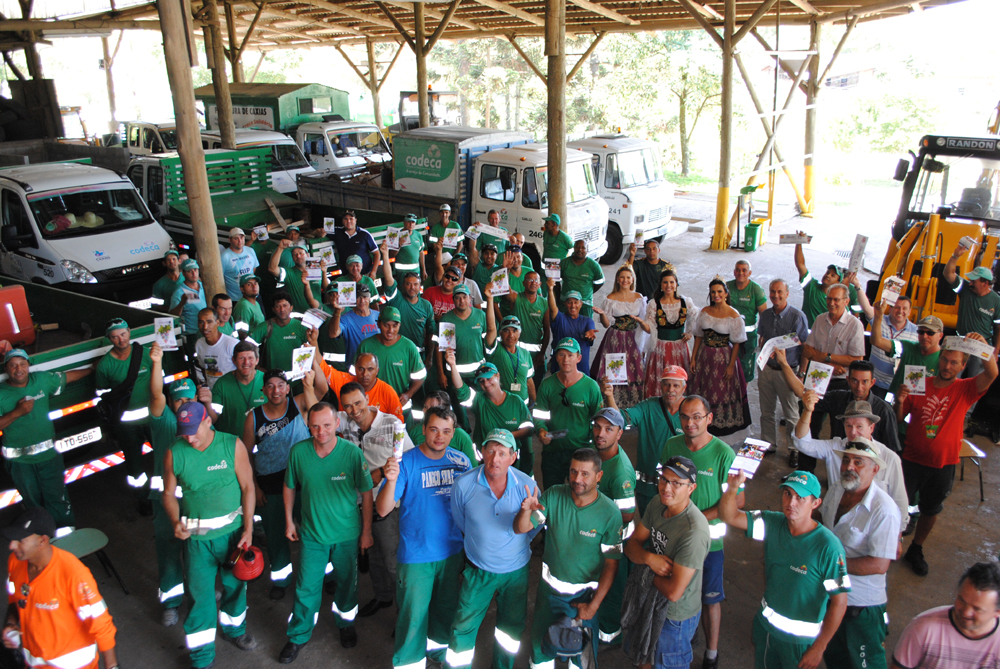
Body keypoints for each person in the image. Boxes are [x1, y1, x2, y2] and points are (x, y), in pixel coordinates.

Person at [719, 469, 850, 669]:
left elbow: (839, 603)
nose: (791, 503)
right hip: (766, 630)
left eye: (800, 497)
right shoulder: (773, 523)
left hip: (800, 643)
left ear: (815, 504)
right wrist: (733, 488)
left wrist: (819, 648)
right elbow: (730, 516)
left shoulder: (829, 548)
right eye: (787, 494)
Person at [161, 401, 258, 668]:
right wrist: (174, 521)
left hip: (233, 536)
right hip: (196, 540)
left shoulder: (231, 445)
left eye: (193, 430)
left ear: (207, 421)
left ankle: (235, 630)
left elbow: (248, 487)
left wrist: (248, 528)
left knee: (235, 586)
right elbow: (168, 495)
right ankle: (202, 656)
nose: (189, 437)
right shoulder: (175, 453)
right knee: (200, 597)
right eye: (184, 432)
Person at [376, 405, 473, 669]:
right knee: (412, 618)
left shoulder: (462, 462)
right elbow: (383, 509)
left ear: (453, 433)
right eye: (433, 430)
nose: (439, 436)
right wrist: (391, 479)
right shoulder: (405, 462)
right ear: (423, 430)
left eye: (445, 431)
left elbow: (474, 506)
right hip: (417, 556)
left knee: (444, 613)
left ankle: (438, 654)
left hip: (452, 554)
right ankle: (409, 663)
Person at [895, 334, 998, 576]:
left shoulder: (966, 389)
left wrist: (982, 346)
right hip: (911, 460)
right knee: (898, 506)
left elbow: (992, 373)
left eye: (954, 363)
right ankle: (892, 544)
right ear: (938, 359)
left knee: (931, 509)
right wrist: (899, 401)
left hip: (943, 464)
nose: (947, 366)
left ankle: (916, 548)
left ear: (963, 366)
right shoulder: (919, 383)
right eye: (944, 360)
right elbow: (899, 418)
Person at [279, 403, 374, 662]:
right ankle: (298, 635)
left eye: (327, 425)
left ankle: (345, 624)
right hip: (312, 535)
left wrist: (366, 532)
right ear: (308, 426)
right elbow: (289, 487)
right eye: (315, 426)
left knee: (347, 584)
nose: (321, 431)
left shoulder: (352, 454)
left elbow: (367, 493)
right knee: (306, 587)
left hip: (346, 534)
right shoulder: (298, 452)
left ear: (338, 425)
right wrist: (289, 521)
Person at [515, 448, 623, 669]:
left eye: (585, 474)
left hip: (584, 599)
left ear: (598, 476)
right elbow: (522, 528)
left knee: (581, 661)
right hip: (549, 596)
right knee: (541, 654)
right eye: (574, 472)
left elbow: (612, 565)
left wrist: (593, 606)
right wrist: (526, 511)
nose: (577, 479)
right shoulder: (554, 495)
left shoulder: (610, 513)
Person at [661, 395, 742, 669]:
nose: (690, 422)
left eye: (697, 417)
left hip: (710, 544)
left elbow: (737, 501)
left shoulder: (723, 454)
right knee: (678, 593)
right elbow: (665, 487)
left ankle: (711, 652)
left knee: (710, 598)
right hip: (674, 540)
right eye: (684, 416)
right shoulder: (672, 445)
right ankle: (686, 637)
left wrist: (693, 519)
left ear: (709, 418)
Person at [446, 429, 537, 669]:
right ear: (482, 452)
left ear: (513, 457)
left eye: (502, 453)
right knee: (463, 628)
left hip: (515, 573)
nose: (495, 459)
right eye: (490, 451)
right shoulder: (463, 485)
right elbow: (461, 522)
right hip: (478, 571)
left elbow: (533, 528)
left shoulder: (528, 486)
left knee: (510, 631)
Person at [621, 456, 711, 669]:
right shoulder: (657, 503)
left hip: (675, 617)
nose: (666, 487)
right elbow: (632, 545)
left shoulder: (693, 532)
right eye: (664, 479)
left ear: (691, 488)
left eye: (677, 483)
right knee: (643, 656)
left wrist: (646, 571)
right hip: (650, 600)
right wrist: (649, 558)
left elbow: (673, 592)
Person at [818, 439, 901, 669]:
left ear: (875, 469)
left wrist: (830, 565)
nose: (849, 467)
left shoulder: (884, 510)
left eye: (858, 462)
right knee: (835, 657)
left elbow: (878, 565)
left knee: (866, 664)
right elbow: (824, 525)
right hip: (831, 596)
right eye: (846, 460)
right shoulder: (837, 490)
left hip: (861, 607)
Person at [335, 382, 414, 619]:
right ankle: (383, 596)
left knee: (392, 561)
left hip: (388, 506)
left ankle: (405, 612)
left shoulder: (392, 425)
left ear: (367, 399)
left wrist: (379, 474)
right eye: (347, 406)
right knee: (374, 557)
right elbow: (314, 410)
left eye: (358, 403)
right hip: (358, 504)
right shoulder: (343, 423)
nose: (354, 410)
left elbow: (407, 461)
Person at [2, 508, 118, 669]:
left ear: (42, 541)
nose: (12, 545)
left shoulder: (73, 575)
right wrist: (11, 622)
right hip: (35, 662)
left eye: (20, 540)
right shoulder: (15, 563)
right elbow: (16, 600)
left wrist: (112, 666)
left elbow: (101, 624)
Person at [242, 368, 321, 599]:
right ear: (263, 390)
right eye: (270, 386)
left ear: (288, 388)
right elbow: (246, 453)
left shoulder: (299, 404)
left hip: (302, 479)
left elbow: (321, 392)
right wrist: (255, 486)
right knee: (275, 535)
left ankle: (325, 575)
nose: (276, 390)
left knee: (313, 531)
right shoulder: (254, 416)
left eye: (280, 385)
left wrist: (309, 381)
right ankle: (281, 578)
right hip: (270, 483)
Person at [0, 349, 88, 536]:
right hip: (20, 463)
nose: (19, 369)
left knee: (57, 497)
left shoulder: (41, 380)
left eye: (22, 364)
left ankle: (67, 538)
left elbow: (68, 377)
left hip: (48, 457)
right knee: (33, 502)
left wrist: (93, 368)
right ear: (6, 368)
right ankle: (44, 538)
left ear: (28, 365)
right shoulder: (1, 393)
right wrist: (17, 413)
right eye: (13, 365)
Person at [792, 396, 910, 532]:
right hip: (835, 522)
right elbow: (801, 443)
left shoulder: (889, 458)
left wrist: (898, 535)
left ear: (871, 427)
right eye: (849, 426)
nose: (853, 432)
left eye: (859, 426)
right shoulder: (835, 448)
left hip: (870, 529)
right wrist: (807, 411)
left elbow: (900, 501)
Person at [148, 343, 198, 626]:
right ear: (171, 403)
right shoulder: (163, 422)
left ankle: (198, 592)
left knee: (195, 552)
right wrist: (157, 362)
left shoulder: (203, 424)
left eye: (188, 400)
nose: (183, 405)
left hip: (194, 502)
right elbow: (156, 393)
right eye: (178, 401)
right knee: (168, 552)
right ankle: (171, 602)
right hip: (165, 502)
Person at [603, 365, 687, 515]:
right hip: (647, 487)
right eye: (666, 384)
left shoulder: (691, 410)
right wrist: (609, 396)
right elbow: (621, 419)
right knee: (647, 529)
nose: (670, 389)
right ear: (661, 385)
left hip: (678, 487)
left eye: (676, 385)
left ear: (684, 388)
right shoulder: (649, 406)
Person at [777, 358, 902, 455]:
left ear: (872, 382)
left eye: (864, 382)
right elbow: (804, 394)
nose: (859, 387)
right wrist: (783, 363)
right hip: (838, 460)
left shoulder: (884, 411)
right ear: (847, 380)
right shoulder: (838, 398)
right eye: (854, 381)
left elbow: (891, 452)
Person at [800, 282, 865, 467]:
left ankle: (837, 474)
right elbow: (807, 350)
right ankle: (805, 470)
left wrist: (825, 357)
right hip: (816, 381)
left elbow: (856, 359)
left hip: (840, 384)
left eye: (836, 299)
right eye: (829, 298)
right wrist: (831, 362)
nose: (832, 303)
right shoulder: (820, 319)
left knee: (839, 432)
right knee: (809, 426)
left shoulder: (854, 325)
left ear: (846, 301)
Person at [891, 561, 1000, 668]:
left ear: (997, 612)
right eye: (961, 600)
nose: (966, 612)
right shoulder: (924, 627)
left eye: (977, 609)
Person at [590, 407, 637, 646]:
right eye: (598, 427)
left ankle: (610, 635)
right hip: (599, 536)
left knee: (611, 587)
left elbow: (627, 515)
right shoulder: (598, 453)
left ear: (619, 433)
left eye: (609, 429)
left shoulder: (621, 473)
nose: (601, 433)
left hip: (614, 541)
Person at [96, 318, 154, 504]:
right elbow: (103, 397)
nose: (121, 340)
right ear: (108, 339)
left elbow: (160, 385)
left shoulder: (145, 355)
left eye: (123, 334)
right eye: (115, 337)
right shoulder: (105, 366)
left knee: (166, 456)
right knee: (135, 466)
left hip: (153, 418)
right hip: (126, 426)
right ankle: (143, 500)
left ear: (129, 331)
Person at [533, 338, 604, 488]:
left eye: (570, 355)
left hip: (582, 451)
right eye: (561, 355)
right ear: (556, 357)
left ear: (579, 357)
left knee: (581, 494)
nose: (566, 359)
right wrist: (541, 430)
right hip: (553, 451)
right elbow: (539, 415)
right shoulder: (547, 385)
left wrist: (594, 449)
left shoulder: (591, 387)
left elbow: (599, 420)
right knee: (552, 493)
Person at [688, 277, 750, 437]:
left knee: (721, 389)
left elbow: (736, 343)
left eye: (720, 292)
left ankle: (719, 426)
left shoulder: (733, 315)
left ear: (726, 293)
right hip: (704, 356)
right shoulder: (705, 312)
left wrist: (731, 366)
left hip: (723, 357)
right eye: (713, 292)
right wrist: (693, 357)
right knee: (704, 388)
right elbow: (699, 336)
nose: (716, 295)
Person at [756, 278, 810, 453]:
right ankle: (768, 444)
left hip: (788, 373)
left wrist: (801, 373)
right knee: (766, 411)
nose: (776, 295)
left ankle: (795, 449)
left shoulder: (797, 317)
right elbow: (762, 337)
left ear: (787, 294)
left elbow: (805, 348)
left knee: (791, 414)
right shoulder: (765, 315)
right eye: (773, 292)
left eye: (780, 292)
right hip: (767, 370)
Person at [452, 362, 533, 475]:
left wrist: (505, 436)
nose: (486, 383)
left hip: (511, 460)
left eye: (489, 378)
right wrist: (452, 365)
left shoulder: (516, 401)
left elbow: (529, 429)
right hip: (486, 460)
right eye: (482, 381)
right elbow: (461, 390)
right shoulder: (479, 400)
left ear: (498, 376)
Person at [437, 282, 497, 427]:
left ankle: (484, 429)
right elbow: (443, 349)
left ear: (470, 298)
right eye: (457, 298)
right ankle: (465, 433)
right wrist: (442, 373)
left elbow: (490, 334)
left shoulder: (480, 315)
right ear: (453, 300)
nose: (461, 300)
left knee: (482, 405)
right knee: (459, 408)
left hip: (478, 373)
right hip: (456, 373)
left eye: (464, 297)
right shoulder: (447, 319)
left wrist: (490, 299)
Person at [591, 264, 650, 408]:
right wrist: (603, 314)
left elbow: (644, 321)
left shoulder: (639, 298)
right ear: (617, 279)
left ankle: (631, 406)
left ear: (632, 279)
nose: (625, 280)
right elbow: (606, 325)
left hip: (633, 339)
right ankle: (612, 403)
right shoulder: (610, 298)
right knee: (614, 371)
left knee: (633, 370)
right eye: (622, 277)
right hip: (615, 339)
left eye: (628, 277)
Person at [944, 244, 1000, 377]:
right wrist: (955, 256)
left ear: (985, 283)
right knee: (951, 377)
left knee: (975, 384)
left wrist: (995, 352)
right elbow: (948, 273)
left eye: (974, 281)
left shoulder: (997, 301)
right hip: (961, 342)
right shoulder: (965, 289)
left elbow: (999, 328)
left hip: (982, 347)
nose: (970, 283)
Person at [643, 266, 699, 399]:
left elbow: (696, 317)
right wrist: (642, 323)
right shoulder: (654, 304)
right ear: (661, 285)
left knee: (678, 381)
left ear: (676, 284)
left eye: (671, 282)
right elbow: (650, 326)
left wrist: (689, 332)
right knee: (660, 380)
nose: (669, 285)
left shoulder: (685, 302)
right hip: (660, 349)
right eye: (665, 282)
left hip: (680, 348)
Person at [357, 306, 426, 411]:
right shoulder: (365, 346)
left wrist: (408, 395)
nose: (390, 330)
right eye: (386, 325)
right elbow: (355, 376)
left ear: (400, 325)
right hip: (372, 406)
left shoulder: (409, 347)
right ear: (378, 324)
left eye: (395, 326)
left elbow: (421, 375)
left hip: (400, 406)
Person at [317, 344, 405, 422]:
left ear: (377, 371)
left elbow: (398, 423)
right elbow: (324, 368)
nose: (365, 374)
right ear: (355, 369)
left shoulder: (388, 392)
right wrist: (314, 343)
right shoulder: (345, 381)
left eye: (370, 369)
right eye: (361, 369)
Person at [870, 304, 943, 397]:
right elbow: (876, 341)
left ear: (940, 335)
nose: (924, 336)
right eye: (921, 332)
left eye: (930, 333)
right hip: (894, 403)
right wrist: (879, 315)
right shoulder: (907, 347)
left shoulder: (944, 359)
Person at [380, 244, 436, 358]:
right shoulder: (397, 299)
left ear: (420, 285)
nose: (412, 287)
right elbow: (389, 278)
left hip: (419, 355)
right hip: (396, 352)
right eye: (408, 284)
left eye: (415, 284)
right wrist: (385, 255)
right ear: (402, 285)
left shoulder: (426, 306)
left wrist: (429, 357)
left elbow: (431, 333)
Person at [793, 235, 861, 326]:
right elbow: (800, 264)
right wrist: (799, 243)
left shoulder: (839, 302)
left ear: (838, 283)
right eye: (828, 272)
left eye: (833, 275)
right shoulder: (811, 286)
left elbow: (850, 323)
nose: (828, 275)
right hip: (806, 335)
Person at [210, 341, 268, 437]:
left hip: (261, 442)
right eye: (241, 358)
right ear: (234, 360)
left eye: (250, 358)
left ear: (257, 360)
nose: (246, 363)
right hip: (231, 443)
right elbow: (213, 418)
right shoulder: (221, 385)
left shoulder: (267, 381)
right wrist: (207, 402)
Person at [503, 271, 550, 386]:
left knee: (536, 382)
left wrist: (542, 353)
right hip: (516, 352)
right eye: (529, 280)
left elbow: (547, 330)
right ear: (523, 283)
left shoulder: (544, 303)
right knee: (516, 382)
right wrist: (505, 269)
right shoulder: (516, 298)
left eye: (536, 280)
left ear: (540, 284)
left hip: (536, 354)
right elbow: (504, 288)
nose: (533, 282)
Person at [865, 295, 918, 397]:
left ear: (910, 311)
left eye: (904, 308)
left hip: (898, 388)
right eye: (897, 307)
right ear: (890, 308)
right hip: (874, 383)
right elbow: (866, 308)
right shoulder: (880, 320)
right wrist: (858, 286)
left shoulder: (917, 332)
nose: (900, 311)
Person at [410, 387, 478, 464]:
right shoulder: (414, 431)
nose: (426, 411)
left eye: (433, 408)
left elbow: (473, 467)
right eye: (425, 407)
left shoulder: (461, 436)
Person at [250, 291, 310, 375]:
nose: (282, 309)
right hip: (273, 379)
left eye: (285, 305)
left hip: (297, 379)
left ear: (291, 307)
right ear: (273, 309)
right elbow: (247, 348)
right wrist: (259, 368)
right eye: (278, 306)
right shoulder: (265, 327)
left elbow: (310, 351)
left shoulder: (301, 327)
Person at [726, 260, 768, 382]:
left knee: (745, 371)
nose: (741, 273)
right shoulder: (727, 287)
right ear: (734, 272)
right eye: (738, 270)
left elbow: (764, 315)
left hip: (748, 338)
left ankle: (742, 396)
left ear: (749, 273)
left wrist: (763, 335)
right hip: (728, 335)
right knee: (726, 365)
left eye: (744, 270)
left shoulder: (756, 290)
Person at [547, 282, 597, 375]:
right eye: (569, 302)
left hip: (581, 373)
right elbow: (553, 308)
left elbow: (590, 330)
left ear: (581, 304)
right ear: (565, 304)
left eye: (576, 302)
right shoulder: (559, 318)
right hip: (560, 372)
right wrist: (550, 290)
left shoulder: (587, 321)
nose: (573, 305)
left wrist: (590, 334)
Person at [485, 315, 536, 404]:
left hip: (523, 405)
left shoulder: (525, 353)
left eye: (514, 331)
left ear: (519, 333)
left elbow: (529, 381)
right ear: (500, 333)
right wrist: (490, 300)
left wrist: (535, 402)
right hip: (503, 405)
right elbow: (490, 328)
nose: (511, 335)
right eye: (506, 331)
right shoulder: (495, 349)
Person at [268, 240, 325, 314]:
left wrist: (324, 271)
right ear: (292, 258)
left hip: (318, 314)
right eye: (295, 254)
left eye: (301, 253)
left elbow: (327, 290)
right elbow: (272, 269)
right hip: (299, 318)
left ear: (307, 255)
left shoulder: (317, 270)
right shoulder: (289, 272)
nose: (298, 256)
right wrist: (280, 248)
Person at [193, 307, 238, 389]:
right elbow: (203, 368)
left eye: (209, 322)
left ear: (217, 322)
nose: (205, 327)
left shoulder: (231, 344)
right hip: (213, 392)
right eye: (201, 322)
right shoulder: (199, 344)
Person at [560, 239, 604, 318]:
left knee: (586, 328)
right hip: (566, 302)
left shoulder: (593, 265)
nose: (580, 250)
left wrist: (588, 292)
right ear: (574, 248)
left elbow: (601, 281)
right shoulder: (564, 263)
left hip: (585, 303)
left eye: (583, 248)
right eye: (577, 247)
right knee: (564, 326)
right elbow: (555, 280)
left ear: (587, 250)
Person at [332, 210, 380, 278]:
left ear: (355, 220)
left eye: (351, 219)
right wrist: (318, 233)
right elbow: (321, 232)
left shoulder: (364, 234)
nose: (348, 221)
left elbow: (376, 253)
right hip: (347, 276)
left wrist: (373, 272)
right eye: (346, 219)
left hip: (364, 274)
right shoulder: (337, 232)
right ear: (342, 221)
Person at [169, 258, 208, 341]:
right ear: (183, 273)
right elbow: (173, 316)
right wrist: (182, 303)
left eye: (195, 270)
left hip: (208, 331)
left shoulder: (204, 286)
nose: (194, 273)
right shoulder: (179, 293)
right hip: (192, 335)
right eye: (190, 271)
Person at [221, 227, 260, 301]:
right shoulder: (224, 256)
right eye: (236, 238)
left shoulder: (250, 251)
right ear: (230, 240)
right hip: (236, 298)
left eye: (241, 238)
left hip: (254, 296)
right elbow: (220, 277)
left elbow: (254, 268)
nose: (240, 241)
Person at [392, 213, 426, 281]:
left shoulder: (418, 235)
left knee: (416, 290)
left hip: (416, 271)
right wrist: (398, 245)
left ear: (415, 223)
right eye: (408, 222)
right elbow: (391, 255)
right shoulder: (397, 235)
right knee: (403, 290)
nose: (411, 224)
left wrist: (424, 270)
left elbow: (421, 252)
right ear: (404, 222)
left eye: (413, 222)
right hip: (402, 272)